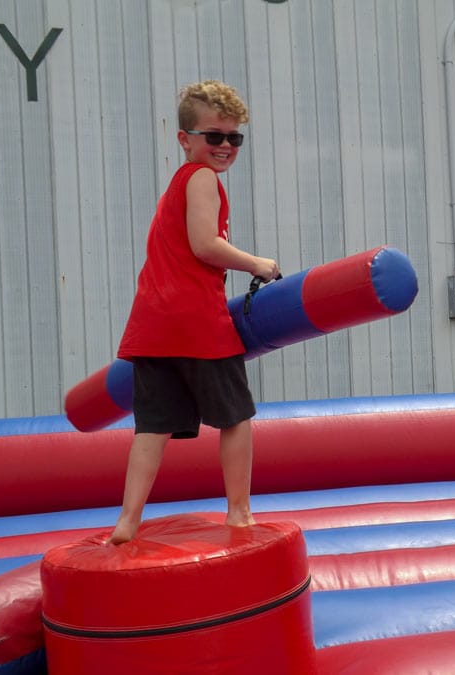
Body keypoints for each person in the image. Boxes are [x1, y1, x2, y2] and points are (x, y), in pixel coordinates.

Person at [108, 80, 280, 544]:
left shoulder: (176, 186)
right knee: (236, 416)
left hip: (152, 324)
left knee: (153, 426)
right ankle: (240, 512)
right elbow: (206, 246)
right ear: (185, 139)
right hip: (196, 320)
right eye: (214, 136)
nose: (225, 147)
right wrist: (257, 263)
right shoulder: (203, 179)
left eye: (234, 138)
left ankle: (127, 521)